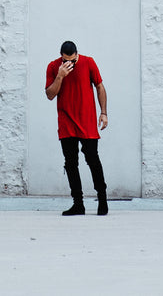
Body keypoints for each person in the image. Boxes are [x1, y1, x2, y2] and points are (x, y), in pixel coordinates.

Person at [45, 40, 109, 216]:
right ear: (61, 57)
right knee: (71, 163)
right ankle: (78, 204)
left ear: (77, 54)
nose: (70, 64)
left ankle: (102, 200)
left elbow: (100, 86)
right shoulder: (53, 67)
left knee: (93, 160)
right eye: (67, 61)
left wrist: (103, 113)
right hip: (66, 123)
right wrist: (60, 76)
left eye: (73, 61)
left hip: (86, 121)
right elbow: (50, 95)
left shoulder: (88, 62)